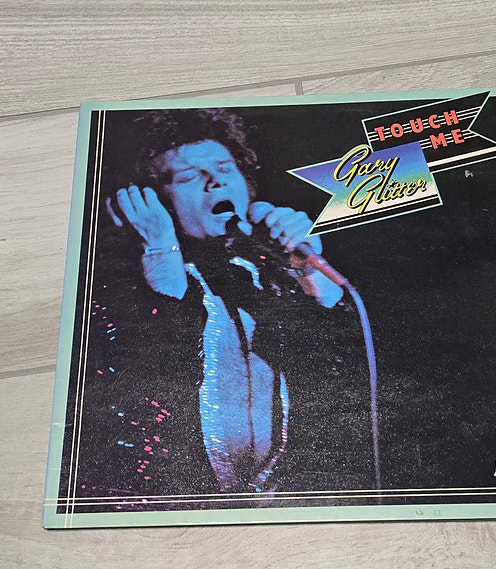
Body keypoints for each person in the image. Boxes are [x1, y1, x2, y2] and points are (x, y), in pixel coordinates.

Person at [68, 109, 368, 511]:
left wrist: (308, 270)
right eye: (189, 177)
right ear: (150, 201)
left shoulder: (267, 274)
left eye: (226, 169)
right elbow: (152, 358)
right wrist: (160, 245)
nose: (217, 181)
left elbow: (348, 367)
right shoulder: (123, 279)